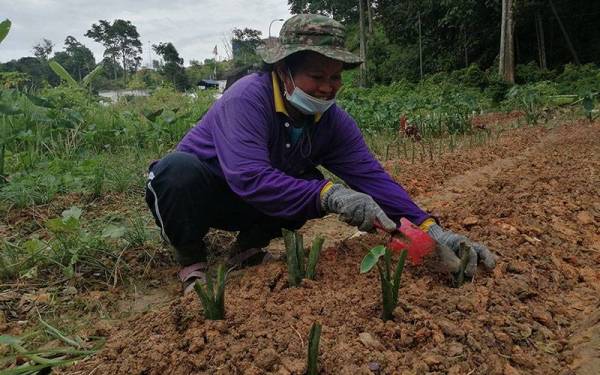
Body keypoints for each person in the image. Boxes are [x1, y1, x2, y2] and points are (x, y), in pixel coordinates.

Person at [145, 14, 496, 293]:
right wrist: (329, 195)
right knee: (176, 171)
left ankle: (248, 247)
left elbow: (371, 178)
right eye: (317, 76)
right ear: (284, 71)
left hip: (253, 203)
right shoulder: (247, 99)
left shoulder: (331, 120)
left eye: (336, 77)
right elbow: (248, 177)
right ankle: (191, 259)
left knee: (309, 183)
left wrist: (433, 229)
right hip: (208, 193)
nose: (329, 87)